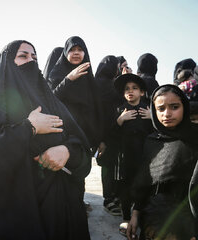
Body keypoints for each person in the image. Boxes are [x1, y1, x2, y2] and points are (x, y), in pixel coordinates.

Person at [0, 40, 92, 240]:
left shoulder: (50, 101)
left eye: (34, 57)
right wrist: (29, 127)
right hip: (17, 214)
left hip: (60, 211)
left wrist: (66, 151)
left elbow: (81, 146)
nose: (31, 61)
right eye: (23, 56)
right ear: (6, 63)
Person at [126, 84, 198, 240]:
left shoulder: (195, 138)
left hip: (188, 219)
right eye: (161, 109)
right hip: (154, 218)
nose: (167, 114)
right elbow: (143, 183)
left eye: (174, 107)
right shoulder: (152, 141)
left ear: (184, 107)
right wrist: (135, 214)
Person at [113, 73, 153, 235]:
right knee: (126, 186)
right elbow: (111, 134)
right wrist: (120, 120)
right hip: (125, 156)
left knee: (143, 185)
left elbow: (158, 131)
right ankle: (127, 217)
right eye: (127, 89)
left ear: (142, 92)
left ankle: (142, 215)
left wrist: (152, 118)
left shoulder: (148, 108)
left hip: (145, 156)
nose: (130, 91)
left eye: (135, 88)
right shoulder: (120, 110)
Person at [47, 36, 103, 150]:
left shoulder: (89, 79)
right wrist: (68, 79)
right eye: (72, 50)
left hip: (84, 138)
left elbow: (96, 110)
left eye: (80, 50)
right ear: (65, 52)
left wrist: (99, 139)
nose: (76, 53)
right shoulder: (56, 75)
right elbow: (51, 100)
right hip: (61, 135)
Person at [94, 55, 122, 216]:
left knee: (107, 166)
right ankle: (109, 199)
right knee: (109, 167)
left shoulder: (94, 83)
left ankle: (110, 198)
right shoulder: (108, 85)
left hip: (98, 131)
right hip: (107, 132)